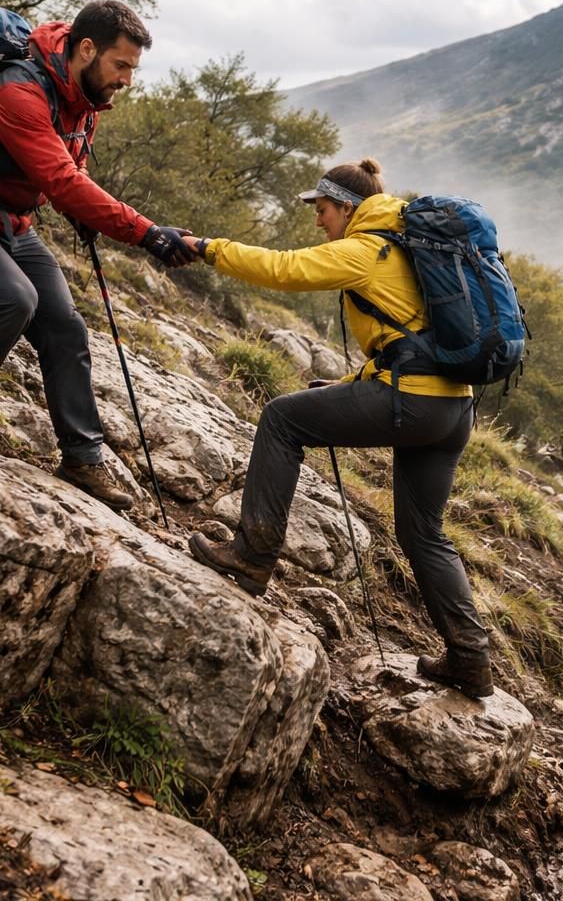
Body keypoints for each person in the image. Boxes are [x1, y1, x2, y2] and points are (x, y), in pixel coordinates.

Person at [177, 159, 495, 699]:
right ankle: (470, 658)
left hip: (413, 401)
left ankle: (252, 556)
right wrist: (350, 384)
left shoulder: (367, 249)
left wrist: (207, 248)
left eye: (322, 209)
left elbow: (283, 269)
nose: (318, 220)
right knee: (423, 533)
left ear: (347, 207)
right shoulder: (408, 245)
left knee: (282, 418)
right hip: (453, 411)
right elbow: (409, 340)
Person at [0, 0, 195, 510]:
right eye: (121, 65)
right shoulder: (19, 90)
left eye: (133, 68)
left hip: (12, 223)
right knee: (14, 299)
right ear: (86, 49)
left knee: (65, 325)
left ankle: (82, 460)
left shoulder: (83, 99)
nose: (127, 80)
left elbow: (71, 169)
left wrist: (87, 215)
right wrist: (147, 234)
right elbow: (60, 180)